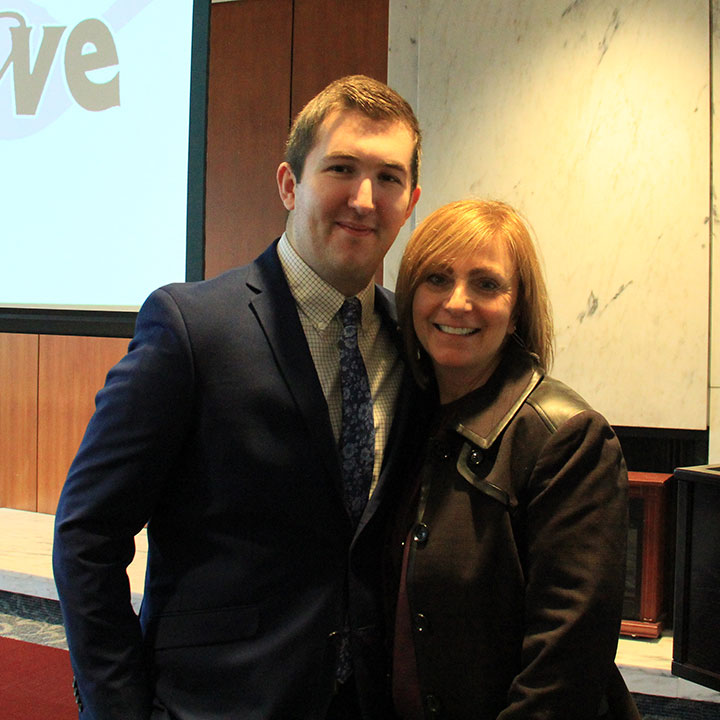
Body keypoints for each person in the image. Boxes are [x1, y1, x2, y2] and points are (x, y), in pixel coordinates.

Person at [52, 74, 422, 720]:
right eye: (341, 168)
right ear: (288, 183)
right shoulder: (191, 328)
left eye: (388, 177)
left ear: (411, 199)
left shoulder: (413, 342)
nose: (365, 198)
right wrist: (119, 709)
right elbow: (88, 534)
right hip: (213, 705)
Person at [388, 199, 641, 719]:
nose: (457, 303)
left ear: (518, 305)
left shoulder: (568, 440)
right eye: (437, 278)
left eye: (486, 284)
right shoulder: (405, 421)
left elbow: (563, 670)